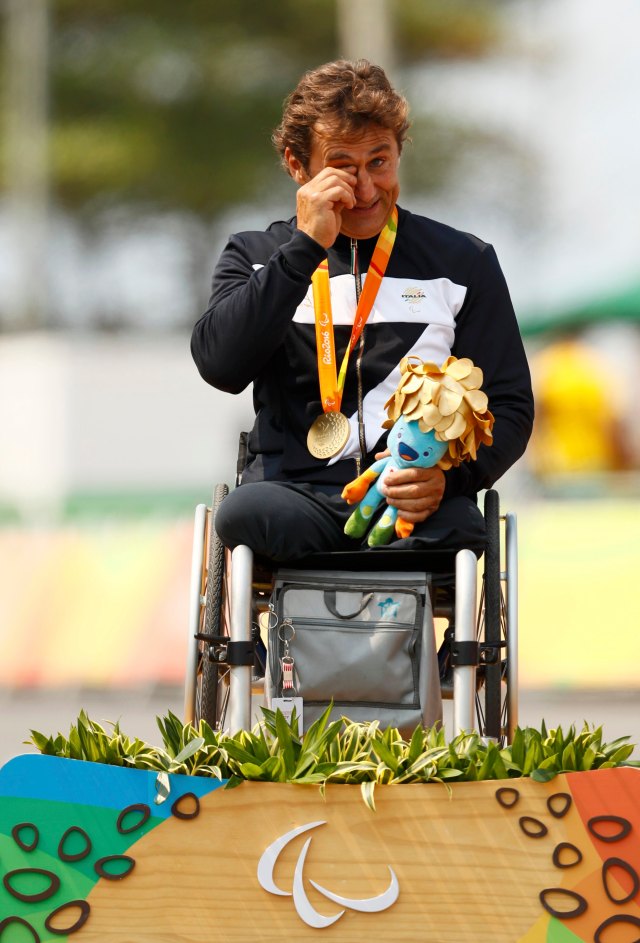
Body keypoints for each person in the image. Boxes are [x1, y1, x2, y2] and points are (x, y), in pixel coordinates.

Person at [191, 59, 534, 562]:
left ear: (398, 153)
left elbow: (509, 406)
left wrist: (446, 479)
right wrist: (304, 248)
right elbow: (220, 366)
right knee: (244, 515)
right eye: (342, 167)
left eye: (379, 161)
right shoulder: (256, 255)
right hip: (291, 495)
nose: (366, 190)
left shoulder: (464, 262)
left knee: (462, 531)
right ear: (296, 165)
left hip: (412, 504)